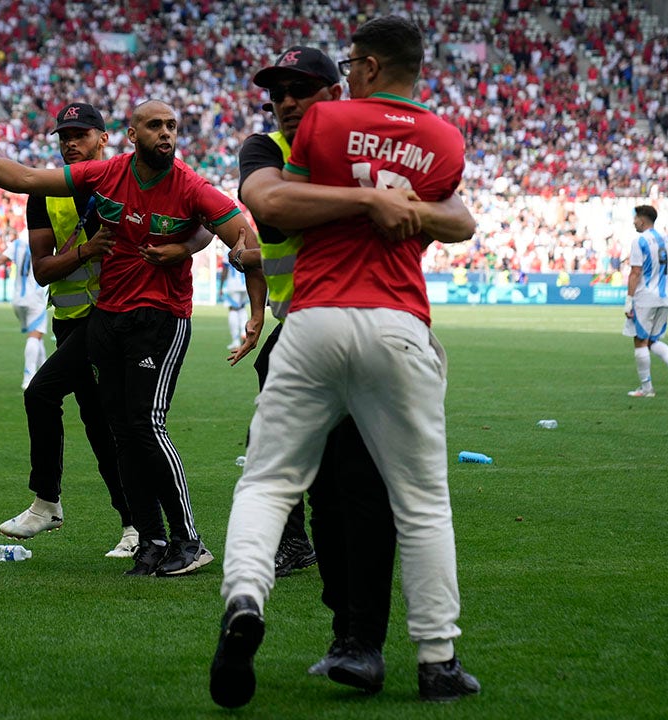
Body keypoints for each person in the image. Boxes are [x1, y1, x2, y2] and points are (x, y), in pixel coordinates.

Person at [210, 18, 481, 709]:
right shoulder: (446, 138)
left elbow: (273, 205)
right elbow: (458, 217)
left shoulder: (323, 126)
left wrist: (372, 198)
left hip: (315, 318)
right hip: (398, 320)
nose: (288, 103)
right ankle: (437, 660)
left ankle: (246, 596)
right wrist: (388, 201)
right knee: (421, 504)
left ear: (359, 67)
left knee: (269, 482)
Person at [0, 100, 262, 577]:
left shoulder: (192, 186)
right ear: (132, 135)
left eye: (171, 126)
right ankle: (149, 539)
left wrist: (256, 315)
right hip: (107, 318)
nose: (165, 134)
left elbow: (247, 242)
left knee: (145, 425)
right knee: (121, 433)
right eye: (154, 126)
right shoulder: (106, 175)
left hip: (161, 320)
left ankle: (189, 541)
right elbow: (26, 179)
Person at [231, 45, 408, 690]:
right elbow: (271, 210)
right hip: (301, 332)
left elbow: (436, 214)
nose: (285, 101)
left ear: (337, 92)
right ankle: (335, 626)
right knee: (307, 486)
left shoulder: (377, 143)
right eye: (277, 91)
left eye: (302, 88)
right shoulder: (264, 149)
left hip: (375, 328)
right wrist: (366, 201)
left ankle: (373, 641)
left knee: (362, 494)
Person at [0, 101, 193, 559]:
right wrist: (86, 252)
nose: (70, 142)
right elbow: (43, 270)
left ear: (105, 139)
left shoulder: (125, 180)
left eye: (80, 134)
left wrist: (180, 249)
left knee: (49, 397)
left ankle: (52, 503)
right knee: (103, 425)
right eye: (63, 135)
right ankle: (134, 527)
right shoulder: (48, 192)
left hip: (115, 320)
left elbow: (193, 218)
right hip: (72, 324)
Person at [623, 205, 668, 397]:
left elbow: (635, 272)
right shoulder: (667, 240)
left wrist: (629, 300)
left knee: (640, 340)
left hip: (645, 297)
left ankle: (647, 389)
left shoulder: (640, 241)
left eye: (635, 219)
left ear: (642, 220)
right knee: (652, 340)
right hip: (664, 297)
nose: (634, 222)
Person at [0, 229, 49, 389]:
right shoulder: (43, 243)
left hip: (17, 299)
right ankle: (29, 377)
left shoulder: (17, 244)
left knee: (36, 335)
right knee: (35, 336)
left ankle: (44, 370)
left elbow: (1, 260)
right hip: (34, 297)